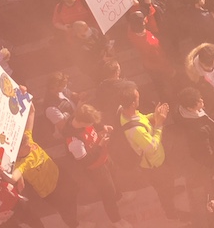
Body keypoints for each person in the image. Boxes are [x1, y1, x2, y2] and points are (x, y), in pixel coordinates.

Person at [118, 83, 186, 220]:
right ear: (132, 103)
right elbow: (152, 148)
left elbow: (142, 119)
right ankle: (171, 213)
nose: (139, 99)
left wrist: (154, 115)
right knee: (163, 191)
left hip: (159, 160)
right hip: (155, 166)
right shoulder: (135, 131)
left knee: (169, 180)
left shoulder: (125, 112)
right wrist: (160, 123)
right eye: (137, 97)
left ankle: (171, 190)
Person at [63, 104, 132, 228]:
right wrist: (100, 145)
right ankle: (116, 221)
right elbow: (86, 162)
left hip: (104, 158)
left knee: (114, 179)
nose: (92, 125)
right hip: (96, 169)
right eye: (91, 123)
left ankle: (119, 198)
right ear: (83, 122)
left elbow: (94, 125)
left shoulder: (79, 117)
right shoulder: (74, 142)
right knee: (108, 194)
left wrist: (103, 127)